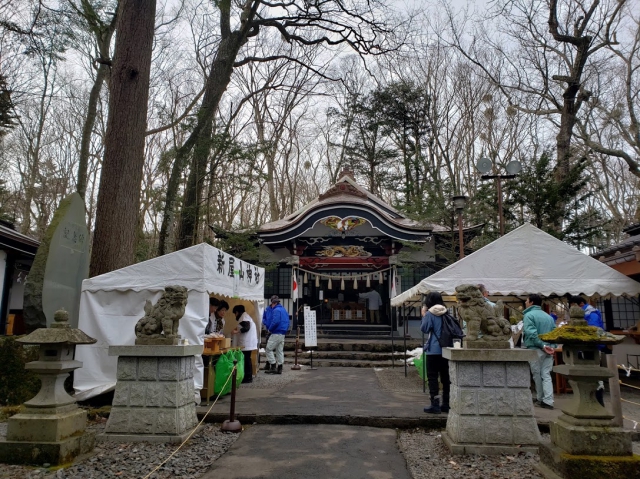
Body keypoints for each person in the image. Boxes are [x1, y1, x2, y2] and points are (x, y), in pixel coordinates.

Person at [569, 296, 606, 406]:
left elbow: (594, 330)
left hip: (591, 347)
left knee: (594, 373)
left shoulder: (591, 313)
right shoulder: (588, 313)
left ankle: (598, 399)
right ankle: (587, 398)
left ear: (579, 304)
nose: (572, 309)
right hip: (583, 348)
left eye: (572, 306)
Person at [523, 294, 556, 409]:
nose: (526, 302)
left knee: (537, 374)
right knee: (546, 374)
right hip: (549, 349)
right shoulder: (549, 317)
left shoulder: (528, 315)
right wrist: (552, 346)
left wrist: (542, 345)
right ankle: (548, 400)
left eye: (527, 300)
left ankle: (540, 398)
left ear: (531, 302)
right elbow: (554, 332)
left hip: (535, 348)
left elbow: (531, 333)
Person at [420, 292, 451, 414]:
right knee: (446, 378)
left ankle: (435, 404)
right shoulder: (446, 312)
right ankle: (446, 404)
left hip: (433, 350)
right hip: (447, 349)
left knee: (433, 377)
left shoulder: (430, 314)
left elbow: (424, 328)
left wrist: (424, 315)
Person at [262, 295, 289, 374]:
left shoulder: (276, 310)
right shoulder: (283, 309)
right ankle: (280, 367)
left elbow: (275, 321)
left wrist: (270, 330)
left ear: (273, 303)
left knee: (268, 349)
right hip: (283, 332)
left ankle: (273, 365)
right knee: (279, 350)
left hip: (276, 332)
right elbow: (287, 321)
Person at [232, 305, 258, 384]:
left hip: (246, 343)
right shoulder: (246, 316)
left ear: (237, 312)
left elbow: (246, 327)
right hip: (248, 342)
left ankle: (247, 377)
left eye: (235, 313)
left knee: (246, 359)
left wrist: (237, 331)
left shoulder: (244, 317)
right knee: (247, 359)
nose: (235, 315)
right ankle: (248, 377)